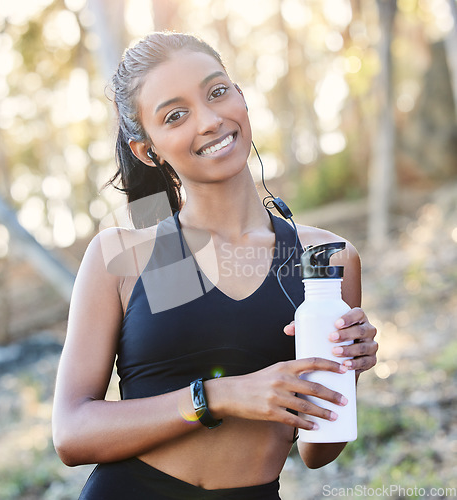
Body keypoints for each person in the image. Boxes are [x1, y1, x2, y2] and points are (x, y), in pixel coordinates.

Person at [52, 31, 378, 500]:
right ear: (148, 149)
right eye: (176, 115)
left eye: (217, 91)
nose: (209, 120)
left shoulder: (325, 258)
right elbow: (71, 433)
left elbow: (316, 452)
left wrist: (346, 372)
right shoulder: (132, 254)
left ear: (241, 96)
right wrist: (218, 396)